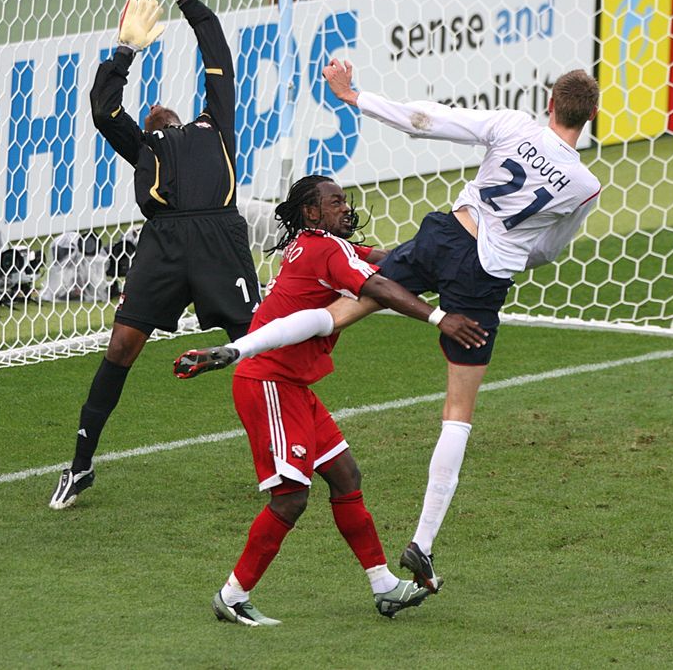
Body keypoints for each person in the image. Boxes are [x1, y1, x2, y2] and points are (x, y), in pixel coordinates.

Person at [178, 60, 602, 594]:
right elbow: (550, 248)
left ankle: (239, 349)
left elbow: (426, 119)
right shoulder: (586, 185)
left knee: (343, 310)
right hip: (485, 276)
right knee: (458, 411)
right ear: (588, 117)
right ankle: (422, 544)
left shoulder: (515, 125)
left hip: (445, 237)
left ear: (549, 105)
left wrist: (355, 97)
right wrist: (516, 255)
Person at [192, 175, 486, 626]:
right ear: (311, 212)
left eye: (345, 201)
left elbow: (391, 264)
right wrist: (440, 317)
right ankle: (233, 595)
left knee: (346, 475)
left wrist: (445, 254)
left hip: (293, 384)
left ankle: (384, 585)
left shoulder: (325, 245)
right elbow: (382, 289)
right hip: (268, 382)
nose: (345, 209)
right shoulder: (323, 249)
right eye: (334, 203)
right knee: (290, 499)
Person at [47, 0, 262, 510]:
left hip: (220, 239)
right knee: (121, 345)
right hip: (163, 245)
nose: (154, 109)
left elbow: (215, 47)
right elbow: (102, 108)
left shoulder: (217, 124)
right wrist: (125, 51)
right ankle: (80, 465)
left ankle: (284, 454)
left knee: (259, 346)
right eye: (147, 112)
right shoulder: (142, 147)